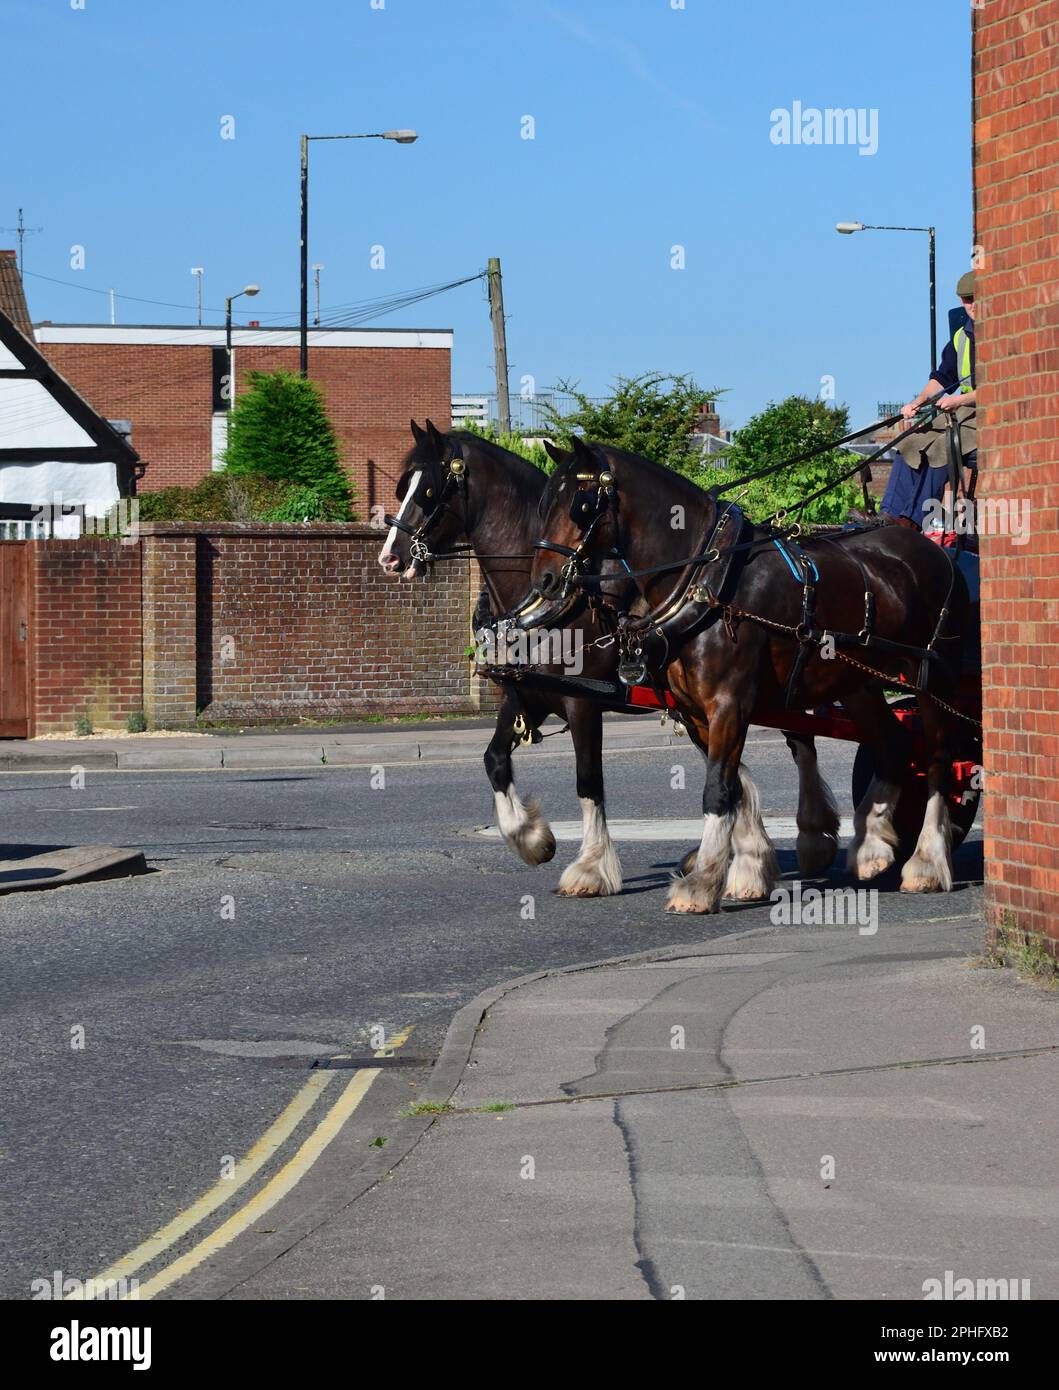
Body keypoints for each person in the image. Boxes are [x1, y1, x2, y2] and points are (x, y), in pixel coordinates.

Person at [877, 270, 977, 528]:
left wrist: (959, 401)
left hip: (989, 417)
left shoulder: (1004, 332)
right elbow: (942, 378)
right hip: (962, 413)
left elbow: (1004, 388)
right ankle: (889, 516)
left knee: (941, 446)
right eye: (967, 299)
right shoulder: (961, 336)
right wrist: (918, 401)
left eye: (978, 297)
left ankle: (911, 521)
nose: (973, 305)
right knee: (910, 441)